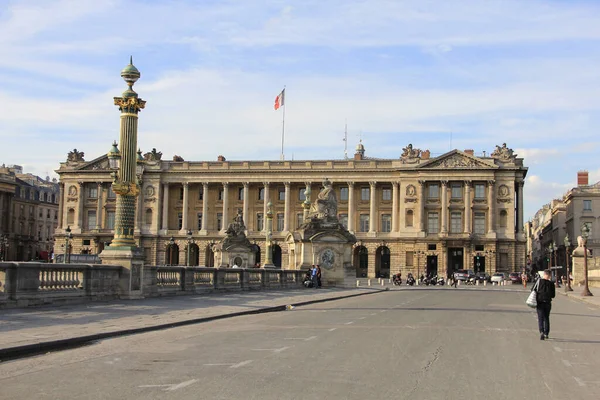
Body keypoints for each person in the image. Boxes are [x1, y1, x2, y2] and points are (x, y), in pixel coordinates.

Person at [533, 269, 556, 340]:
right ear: (549, 276)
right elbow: (553, 295)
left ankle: (541, 331)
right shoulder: (551, 284)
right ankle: (546, 333)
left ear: (544, 274)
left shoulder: (539, 281)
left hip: (539, 302)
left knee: (540, 318)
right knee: (546, 318)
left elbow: (533, 290)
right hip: (547, 302)